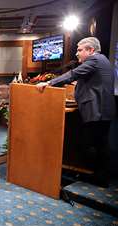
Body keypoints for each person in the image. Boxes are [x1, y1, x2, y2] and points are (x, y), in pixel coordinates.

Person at [36, 37, 116, 188]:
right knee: (99, 144)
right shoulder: (103, 60)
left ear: (91, 50)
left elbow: (72, 74)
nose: (77, 53)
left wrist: (48, 83)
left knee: (93, 144)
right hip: (102, 110)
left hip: (97, 111)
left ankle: (99, 177)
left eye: (80, 50)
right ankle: (99, 176)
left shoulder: (94, 61)